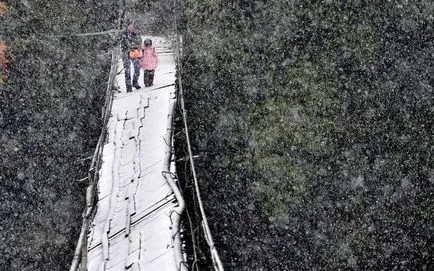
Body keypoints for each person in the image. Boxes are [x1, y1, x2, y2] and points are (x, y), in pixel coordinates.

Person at [120, 22, 142, 92]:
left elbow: (139, 42)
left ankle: (135, 82)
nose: (131, 28)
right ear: (127, 27)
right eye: (129, 26)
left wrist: (137, 46)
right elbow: (122, 42)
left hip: (134, 53)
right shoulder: (124, 34)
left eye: (132, 26)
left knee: (137, 69)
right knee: (127, 71)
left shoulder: (137, 34)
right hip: (125, 53)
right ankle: (128, 87)